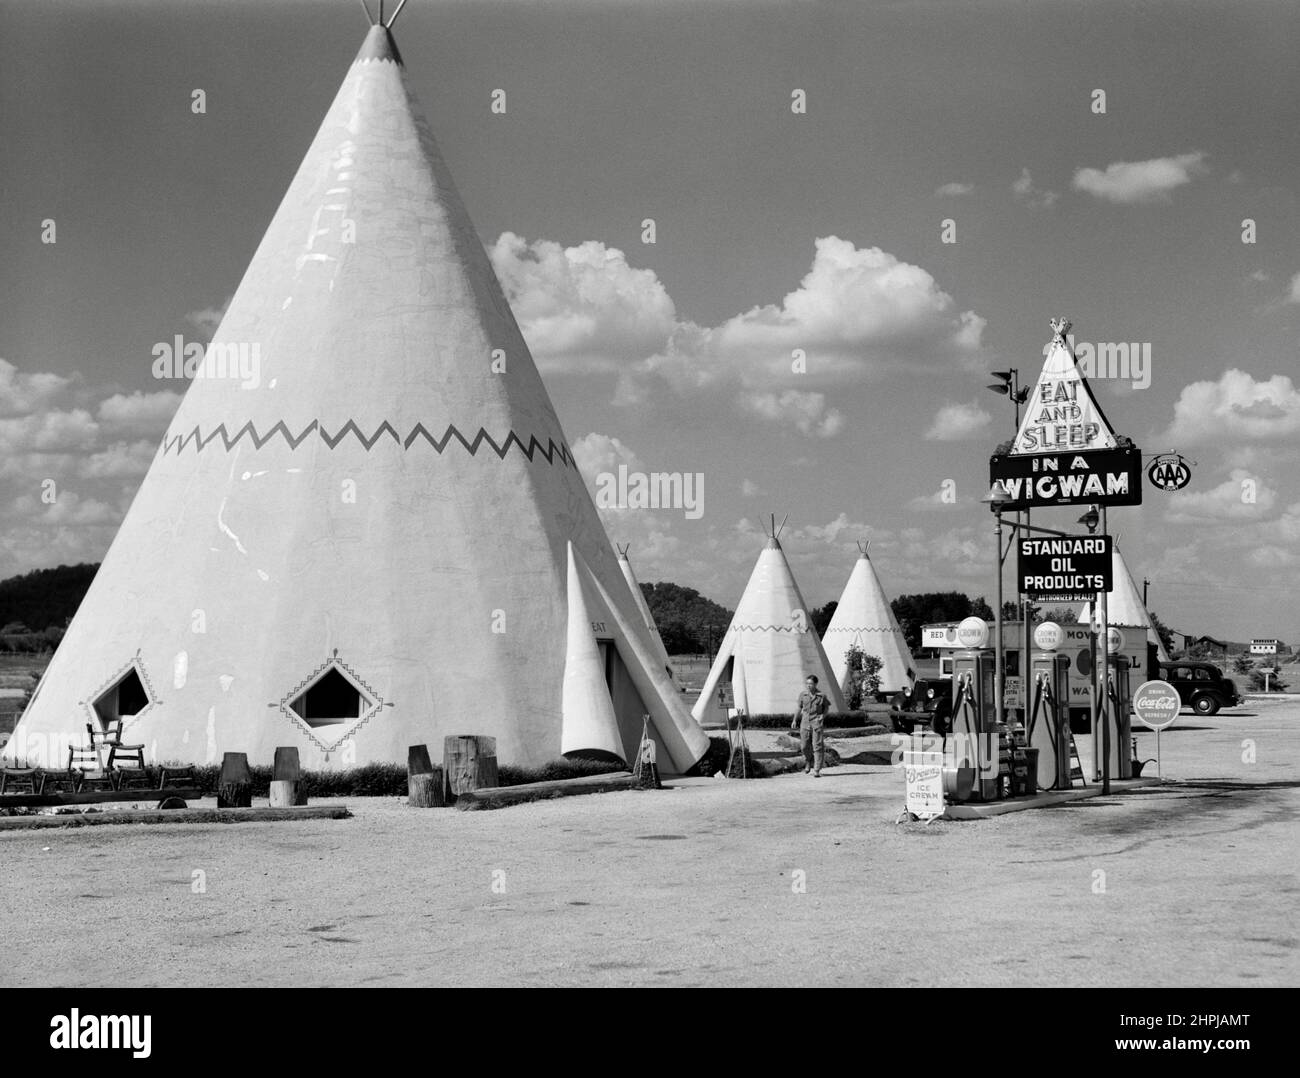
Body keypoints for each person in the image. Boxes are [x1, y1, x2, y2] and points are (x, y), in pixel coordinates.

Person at [790, 674, 831, 777]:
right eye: (807, 683)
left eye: (811, 684)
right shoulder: (803, 695)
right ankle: (808, 761)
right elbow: (799, 708)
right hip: (805, 722)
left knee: (817, 746)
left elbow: (826, 708)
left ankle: (817, 769)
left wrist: (823, 716)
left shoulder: (822, 696)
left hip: (816, 722)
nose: (808, 685)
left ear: (816, 684)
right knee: (804, 746)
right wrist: (794, 720)